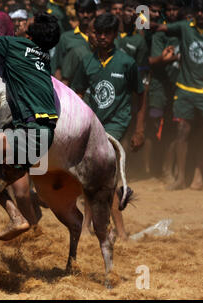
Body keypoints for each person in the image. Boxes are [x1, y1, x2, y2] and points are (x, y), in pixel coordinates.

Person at [0, 12, 60, 240]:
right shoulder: (44, 56)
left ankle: (17, 216)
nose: (23, 23)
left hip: (30, 133)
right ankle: (31, 215)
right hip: (43, 135)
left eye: (28, 22)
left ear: (32, 32)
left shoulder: (16, 45)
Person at [72, 13, 146, 240]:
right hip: (92, 125)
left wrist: (139, 129)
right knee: (89, 176)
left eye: (107, 33)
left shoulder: (127, 62)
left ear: (115, 35)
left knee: (107, 175)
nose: (102, 37)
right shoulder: (87, 62)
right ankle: (87, 225)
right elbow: (77, 93)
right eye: (98, 33)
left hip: (116, 125)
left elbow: (140, 95)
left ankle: (119, 229)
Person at [151, 0, 203, 190]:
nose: (201, 15)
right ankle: (180, 178)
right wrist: (140, 19)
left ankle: (198, 177)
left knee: (201, 135)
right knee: (182, 132)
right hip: (185, 90)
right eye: (198, 11)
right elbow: (159, 27)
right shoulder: (185, 27)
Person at [145, 0, 181, 179]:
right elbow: (153, 59)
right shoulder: (160, 33)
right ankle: (151, 168)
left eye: (176, 9)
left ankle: (168, 169)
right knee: (153, 126)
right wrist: (170, 59)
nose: (173, 12)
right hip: (158, 86)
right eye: (170, 9)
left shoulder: (184, 31)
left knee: (173, 129)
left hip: (179, 88)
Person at [53, 0, 96, 80]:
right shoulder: (66, 38)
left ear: (95, 12)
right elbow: (57, 68)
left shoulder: (102, 38)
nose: (85, 15)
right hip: (70, 88)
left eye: (89, 11)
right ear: (76, 13)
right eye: (81, 12)